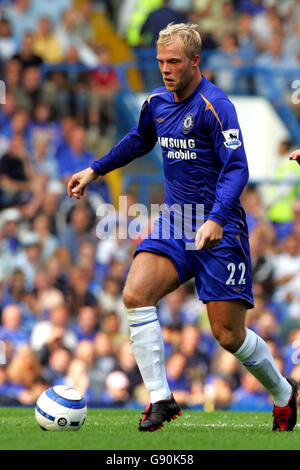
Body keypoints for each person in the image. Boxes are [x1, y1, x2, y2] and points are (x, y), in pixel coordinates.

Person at [67, 23, 297, 432]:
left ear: (195, 61)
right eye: (160, 62)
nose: (165, 69)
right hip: (176, 221)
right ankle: (160, 399)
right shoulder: (156, 101)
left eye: (173, 61)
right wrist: (94, 169)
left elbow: (236, 169)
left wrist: (215, 219)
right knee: (135, 293)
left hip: (220, 229)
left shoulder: (216, 106)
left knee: (228, 336)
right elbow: (139, 140)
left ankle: (283, 392)